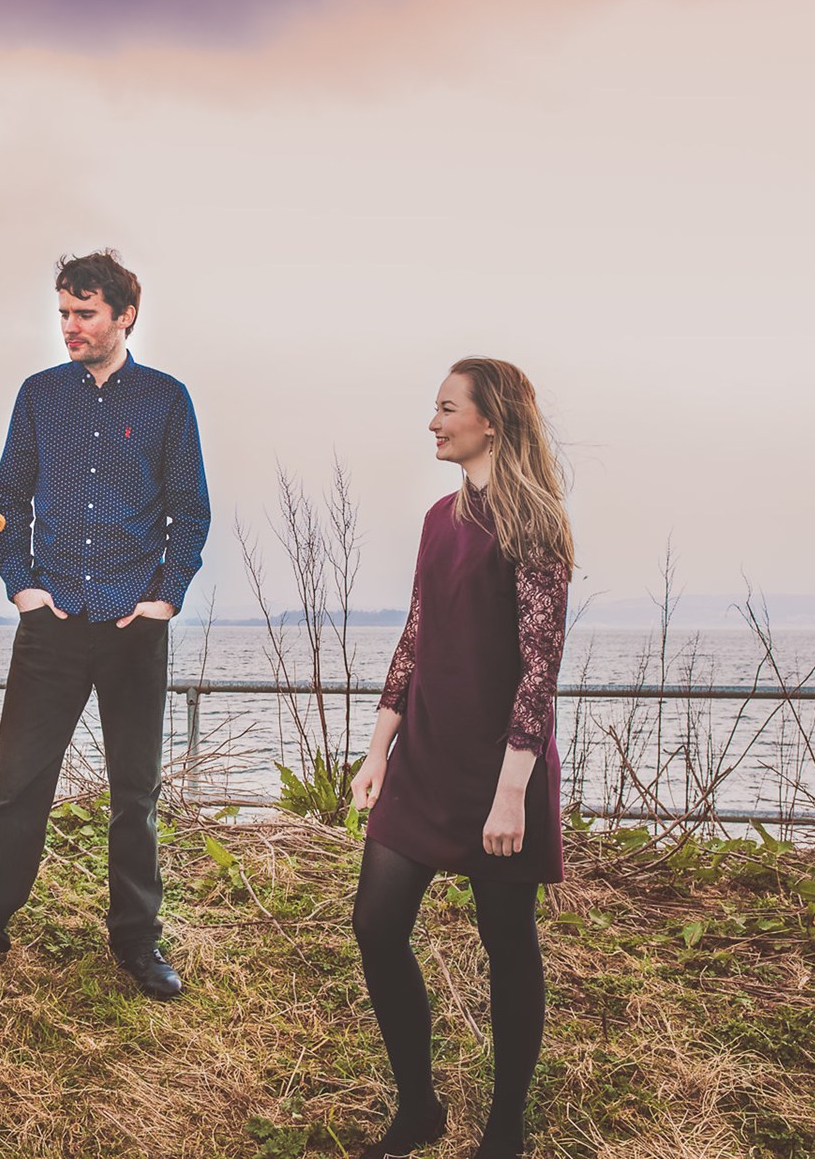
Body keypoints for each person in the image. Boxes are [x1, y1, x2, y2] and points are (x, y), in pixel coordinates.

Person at [0, 249, 210, 998]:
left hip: (133, 623)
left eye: (85, 312)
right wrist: (22, 588)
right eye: (63, 312)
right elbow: (6, 505)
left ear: (125, 315)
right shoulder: (39, 397)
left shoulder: (165, 400)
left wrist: (164, 597)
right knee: (19, 785)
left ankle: (137, 943)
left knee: (136, 793)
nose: (70, 326)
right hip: (52, 621)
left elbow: (189, 511)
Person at [347, 357, 573, 1159]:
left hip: (498, 771)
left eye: (447, 408)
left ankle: (503, 1129)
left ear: (492, 421)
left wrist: (513, 789)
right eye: (435, 409)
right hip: (425, 756)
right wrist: (378, 748)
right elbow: (415, 635)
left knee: (506, 939)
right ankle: (418, 1111)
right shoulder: (438, 518)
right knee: (375, 923)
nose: (434, 423)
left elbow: (540, 667)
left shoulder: (535, 525)